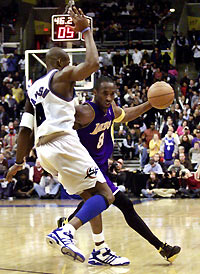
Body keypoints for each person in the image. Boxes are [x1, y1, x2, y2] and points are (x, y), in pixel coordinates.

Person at [6, 6, 117, 264]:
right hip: (63, 143)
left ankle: (100, 250)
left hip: (43, 153)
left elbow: (25, 130)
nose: (71, 66)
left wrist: (19, 162)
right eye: (68, 60)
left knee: (91, 196)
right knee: (106, 195)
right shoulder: (62, 74)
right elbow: (92, 63)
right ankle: (67, 231)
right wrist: (86, 32)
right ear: (58, 63)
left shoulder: (34, 89)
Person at [58, 76, 181, 264]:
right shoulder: (83, 112)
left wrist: (150, 103)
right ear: (95, 93)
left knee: (93, 203)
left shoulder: (110, 111)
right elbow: (61, 130)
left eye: (112, 94)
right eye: (105, 93)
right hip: (85, 168)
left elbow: (128, 114)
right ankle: (161, 247)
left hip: (99, 168)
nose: (109, 98)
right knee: (122, 204)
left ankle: (68, 226)